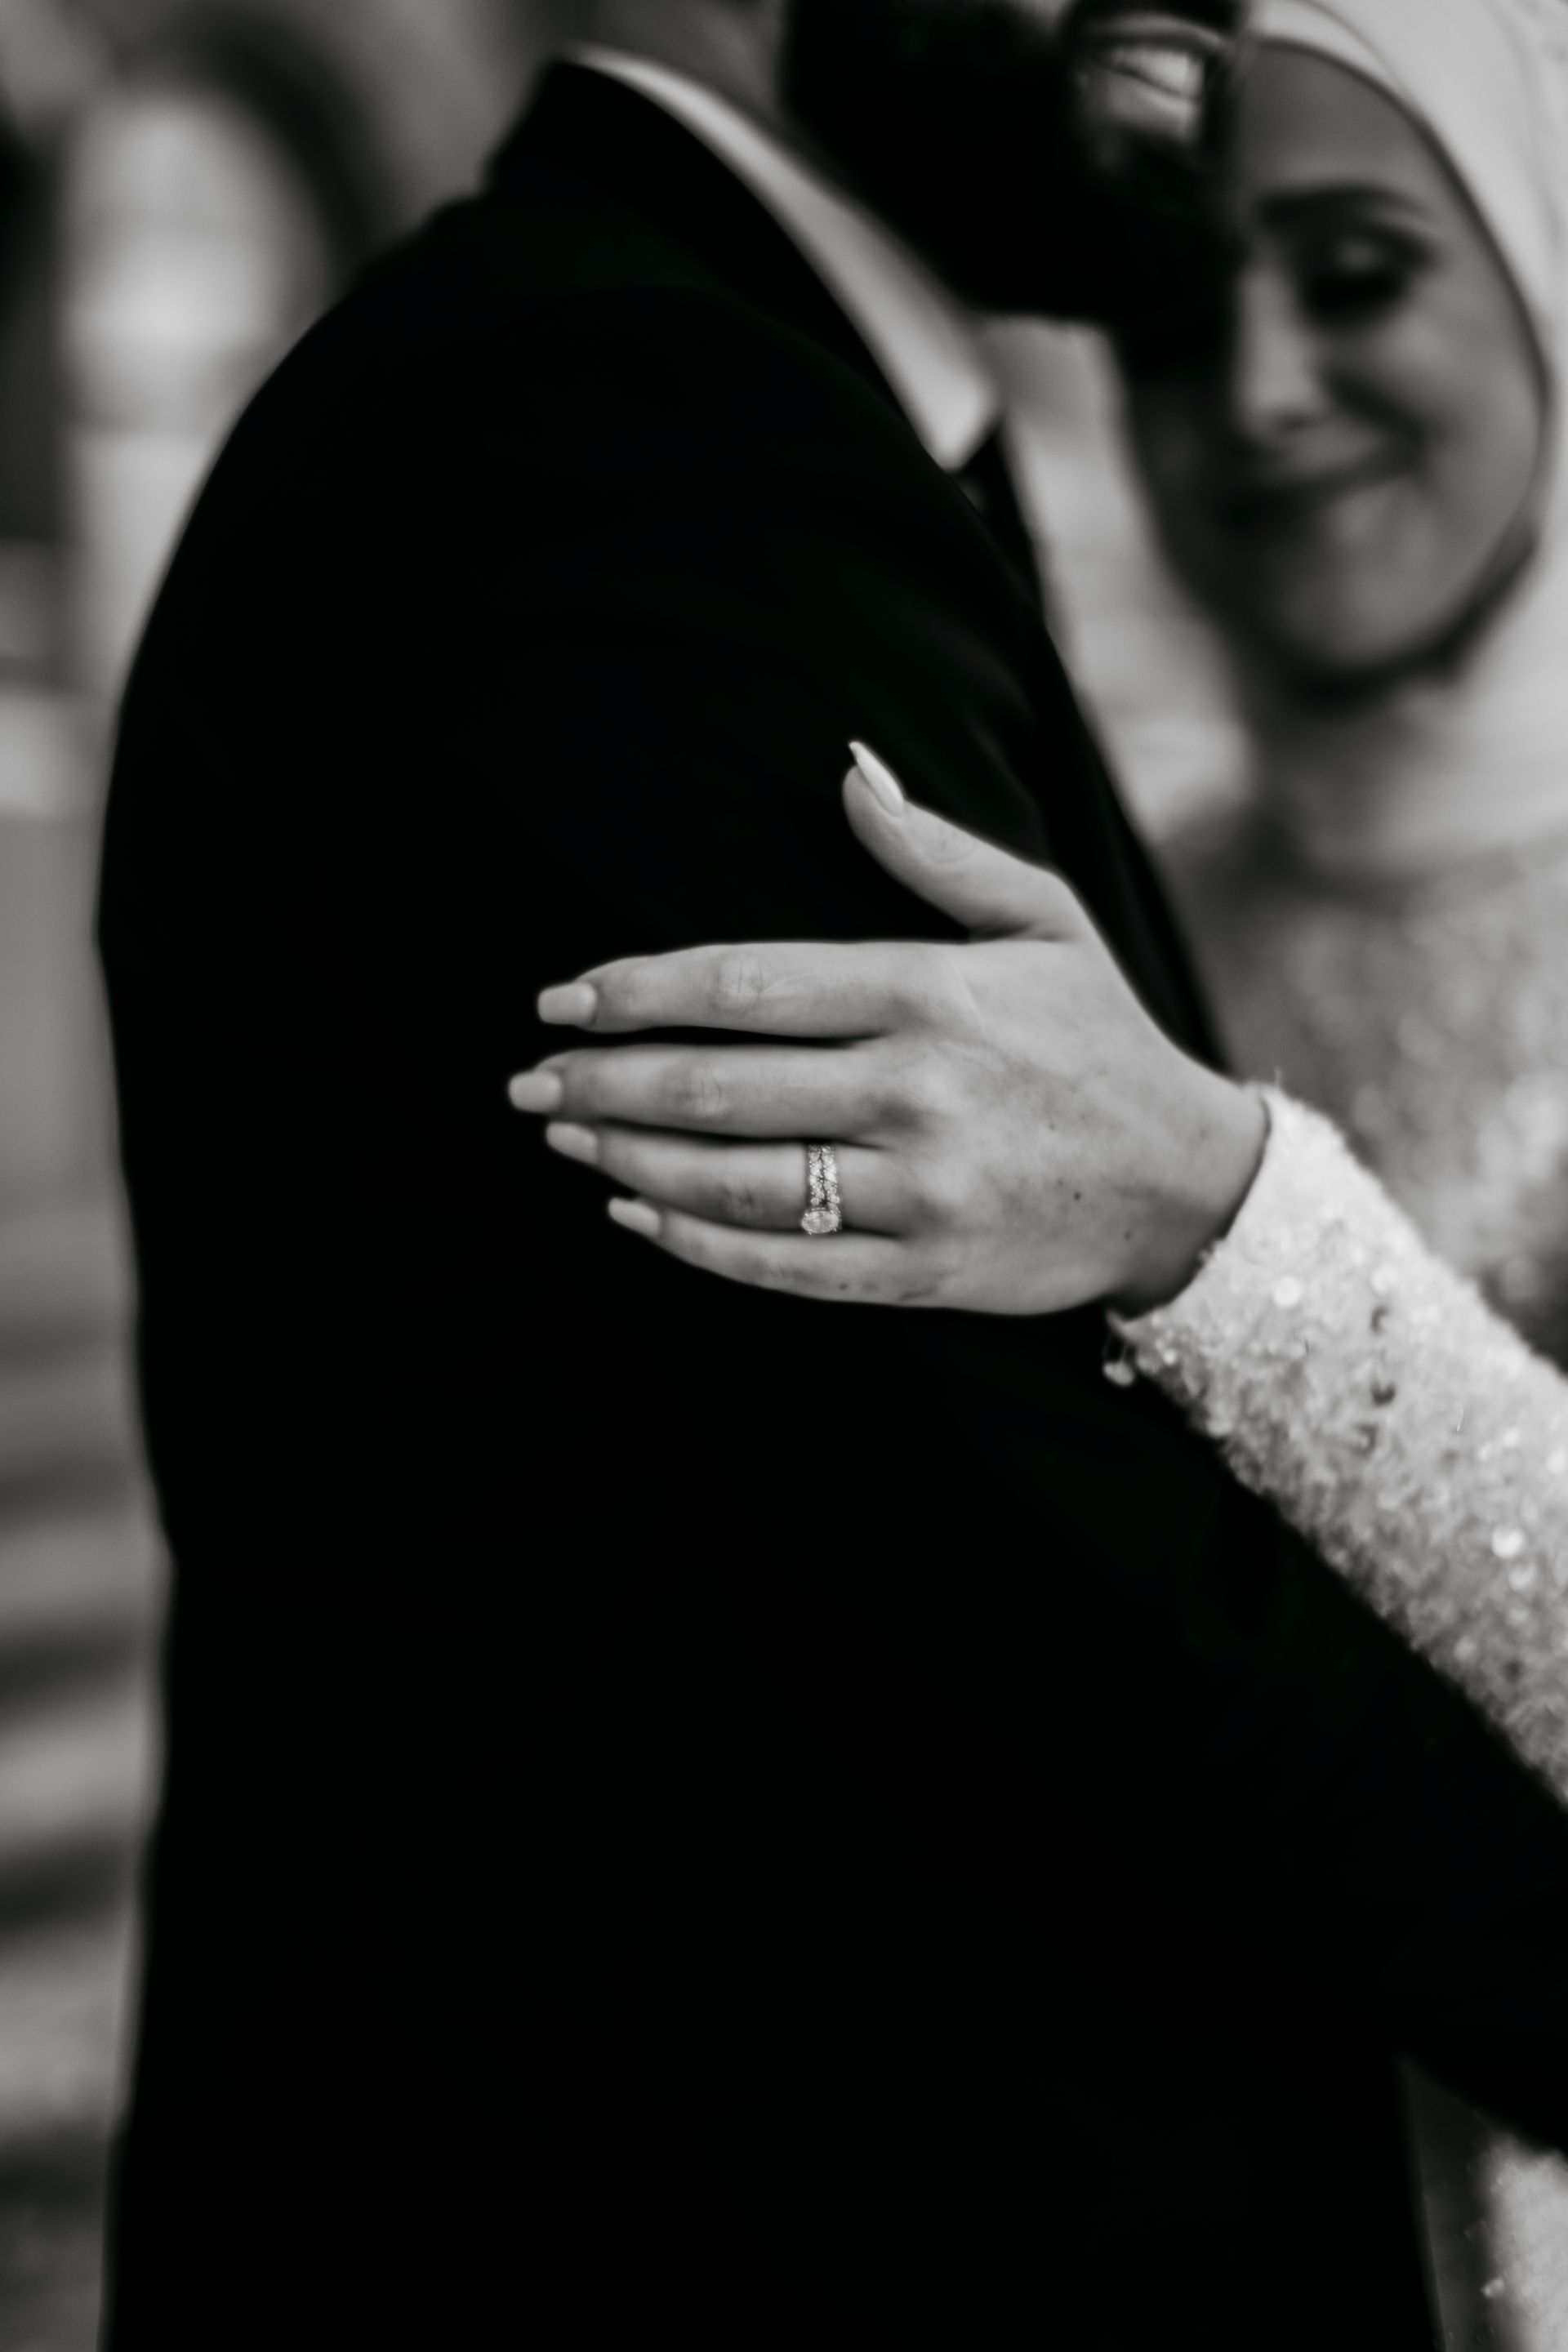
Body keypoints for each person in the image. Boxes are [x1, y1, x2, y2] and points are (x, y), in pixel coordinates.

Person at [99, 2, 1568, 2344]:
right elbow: (1017, 1564)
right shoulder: (632, 429)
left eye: (1365, 271)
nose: (1261, 392)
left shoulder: (733, 428)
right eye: (1195, 320)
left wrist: (1224, 1210)